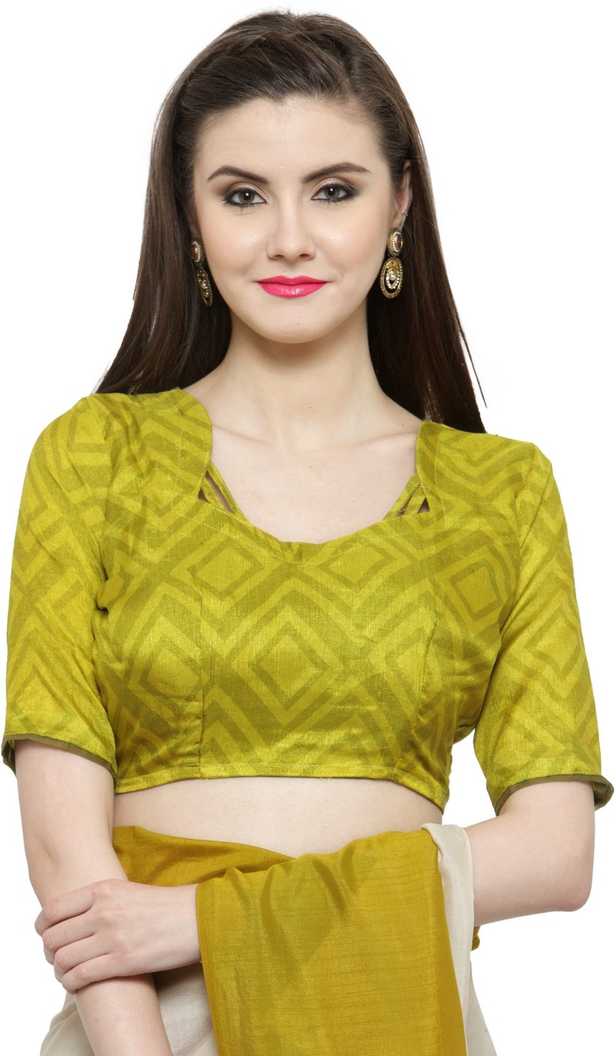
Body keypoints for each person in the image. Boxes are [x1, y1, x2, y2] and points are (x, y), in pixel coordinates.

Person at [2, 10, 612, 1055]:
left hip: (399, 1011)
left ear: (399, 204)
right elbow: (65, 841)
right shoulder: (98, 457)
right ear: (190, 217)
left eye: (333, 190)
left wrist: (207, 919)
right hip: (145, 1020)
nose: (289, 236)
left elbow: (557, 854)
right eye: (242, 195)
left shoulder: (499, 491)